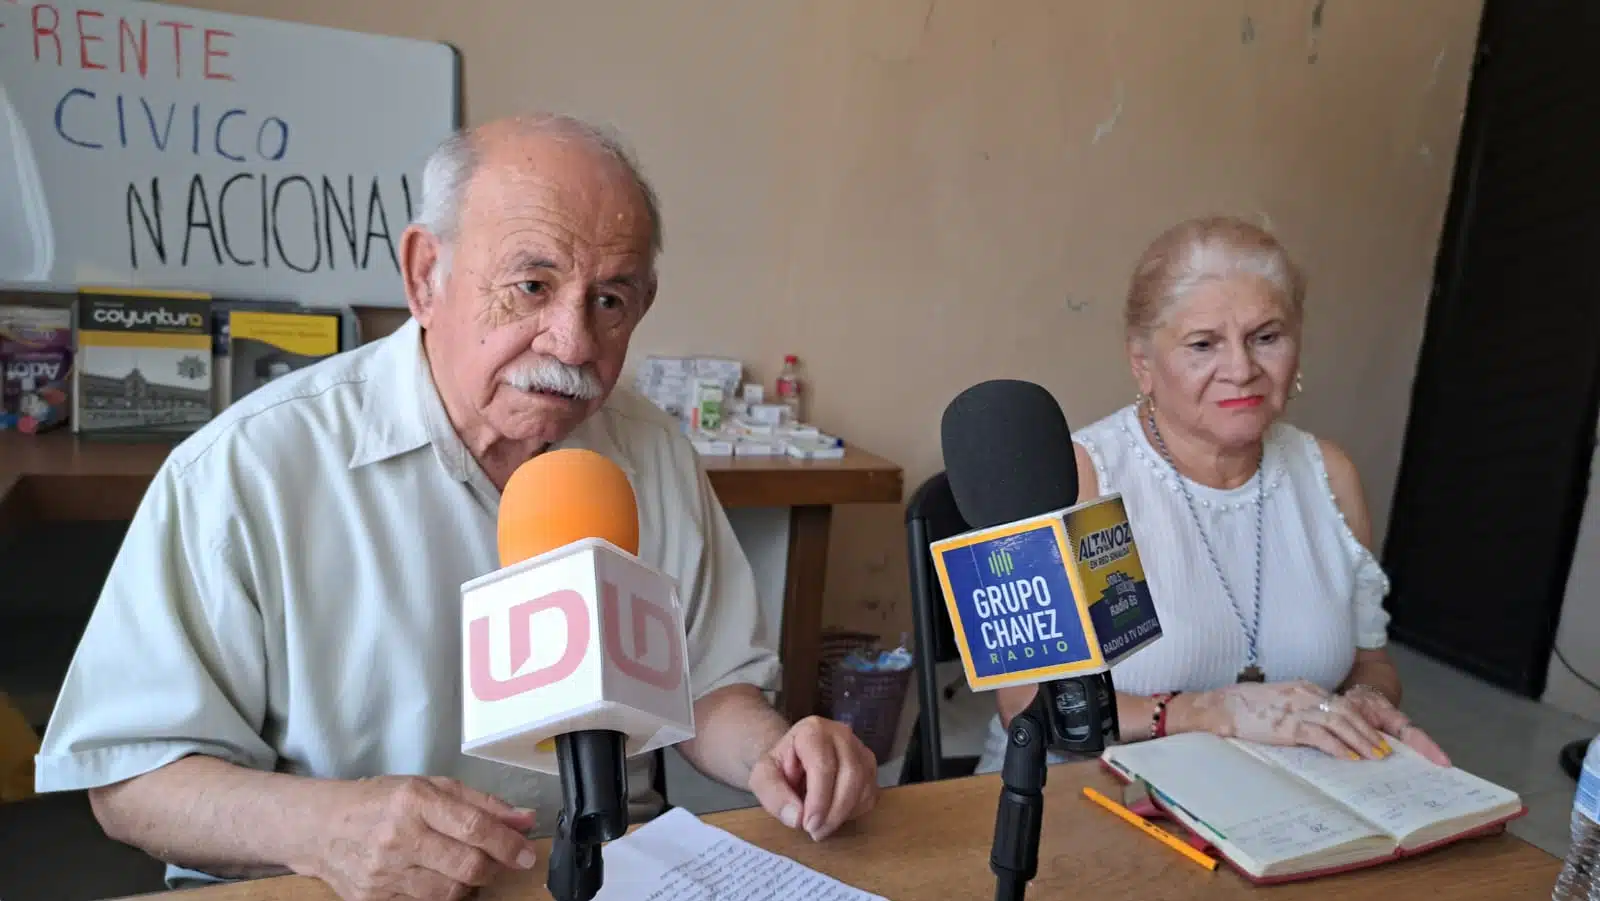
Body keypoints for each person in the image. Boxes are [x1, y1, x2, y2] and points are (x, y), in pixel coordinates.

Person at [33, 114, 879, 900]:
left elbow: (708, 686)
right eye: (532, 285)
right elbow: (131, 776)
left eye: (610, 300)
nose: (574, 342)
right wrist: (326, 827)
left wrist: (775, 749)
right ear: (425, 275)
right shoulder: (247, 469)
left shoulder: (650, 451)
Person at [976, 215, 1450, 774]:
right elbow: (1023, 706)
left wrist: (1366, 700)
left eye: (1266, 338)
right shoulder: (1073, 479)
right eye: (1203, 344)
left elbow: (1369, 663)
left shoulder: (1330, 475)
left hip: (1274, 801)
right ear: (1142, 364)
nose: (1241, 369)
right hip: (1079, 793)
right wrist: (1204, 711)